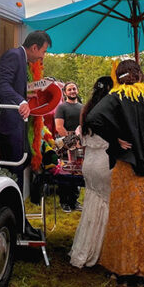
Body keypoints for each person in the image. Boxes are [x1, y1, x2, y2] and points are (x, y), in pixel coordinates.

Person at [85, 60, 144, 287]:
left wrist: (114, 138)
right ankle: (142, 271)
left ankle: (122, 271)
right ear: (140, 76)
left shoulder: (116, 97)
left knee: (124, 219)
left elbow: (93, 118)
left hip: (127, 166)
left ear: (119, 76)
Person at [0, 30, 52, 237]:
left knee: (22, 164)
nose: (42, 57)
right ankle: (17, 224)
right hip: (10, 126)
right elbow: (2, 85)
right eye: (43, 52)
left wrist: (27, 94)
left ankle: (19, 221)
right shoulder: (14, 55)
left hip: (17, 125)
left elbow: (12, 86)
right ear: (34, 47)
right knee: (16, 171)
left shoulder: (21, 58)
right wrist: (20, 101)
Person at [69, 76, 113, 269]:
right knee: (105, 203)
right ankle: (101, 250)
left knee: (92, 203)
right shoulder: (111, 109)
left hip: (90, 161)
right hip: (105, 160)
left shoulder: (85, 109)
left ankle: (85, 247)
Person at [54, 82, 82, 211]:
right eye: (69, 89)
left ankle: (74, 201)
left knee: (77, 172)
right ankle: (64, 202)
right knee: (65, 172)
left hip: (79, 143)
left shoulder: (82, 107)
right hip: (65, 144)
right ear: (65, 92)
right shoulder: (61, 108)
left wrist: (80, 142)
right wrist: (70, 142)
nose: (72, 91)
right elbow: (59, 127)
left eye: (74, 89)